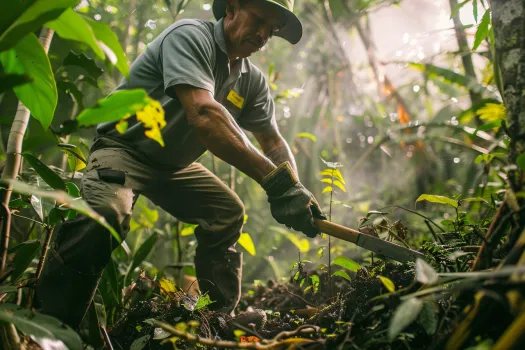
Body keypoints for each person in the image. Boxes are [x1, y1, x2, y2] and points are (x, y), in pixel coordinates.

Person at [35, 0, 323, 328]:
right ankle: (50, 325)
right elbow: (203, 113)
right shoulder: (190, 36)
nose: (262, 35)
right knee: (106, 212)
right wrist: (276, 184)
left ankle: (217, 319)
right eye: (258, 20)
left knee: (226, 213)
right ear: (231, 9)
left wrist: (295, 190)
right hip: (123, 150)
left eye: (270, 30)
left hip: (174, 168)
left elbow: (272, 142)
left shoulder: (251, 81)